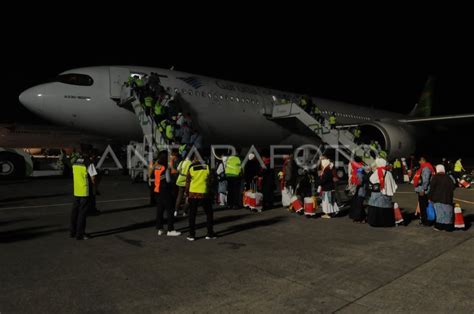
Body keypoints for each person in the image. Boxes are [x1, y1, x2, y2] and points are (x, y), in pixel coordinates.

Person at [149, 150, 181, 237]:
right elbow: (168, 180)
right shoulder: (164, 167)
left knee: (160, 211)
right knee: (170, 210)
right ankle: (170, 229)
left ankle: (160, 229)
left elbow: (152, 178)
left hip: (157, 191)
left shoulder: (156, 166)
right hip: (165, 191)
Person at [186, 155, 217, 241]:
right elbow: (212, 180)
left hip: (193, 193)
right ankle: (209, 233)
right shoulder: (207, 167)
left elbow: (187, 181)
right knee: (209, 213)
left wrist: (186, 192)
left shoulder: (191, 167)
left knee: (192, 214)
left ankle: (192, 235)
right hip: (204, 193)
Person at [367, 158, 398, 227]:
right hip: (386, 194)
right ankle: (386, 223)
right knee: (385, 208)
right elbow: (393, 184)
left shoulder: (377, 172)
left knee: (376, 208)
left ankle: (376, 222)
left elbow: (371, 179)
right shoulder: (388, 172)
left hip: (377, 194)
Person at [70, 155, 91, 240]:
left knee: (74, 212)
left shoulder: (75, 161)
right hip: (84, 191)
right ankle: (80, 234)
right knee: (82, 214)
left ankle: (72, 232)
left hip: (76, 190)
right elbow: (93, 176)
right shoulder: (88, 162)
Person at [430, 164, 455, 231]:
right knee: (448, 213)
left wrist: (430, 197)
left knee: (439, 213)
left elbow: (432, 188)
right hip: (448, 198)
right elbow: (453, 187)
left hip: (437, 198)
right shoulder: (448, 177)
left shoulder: (435, 177)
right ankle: (448, 227)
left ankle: (439, 226)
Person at [413, 156, 435, 226]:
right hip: (424, 190)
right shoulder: (426, 167)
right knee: (424, 206)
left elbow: (425, 180)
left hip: (423, 191)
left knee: (424, 207)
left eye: (419, 161)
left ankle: (425, 221)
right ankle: (425, 220)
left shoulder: (425, 168)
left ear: (422, 160)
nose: (419, 163)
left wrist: (422, 189)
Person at [349, 157, 367, 223]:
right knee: (358, 204)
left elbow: (360, 180)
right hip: (358, 189)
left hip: (360, 189)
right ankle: (359, 217)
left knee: (359, 204)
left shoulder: (360, 168)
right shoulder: (358, 168)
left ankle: (360, 218)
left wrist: (354, 184)